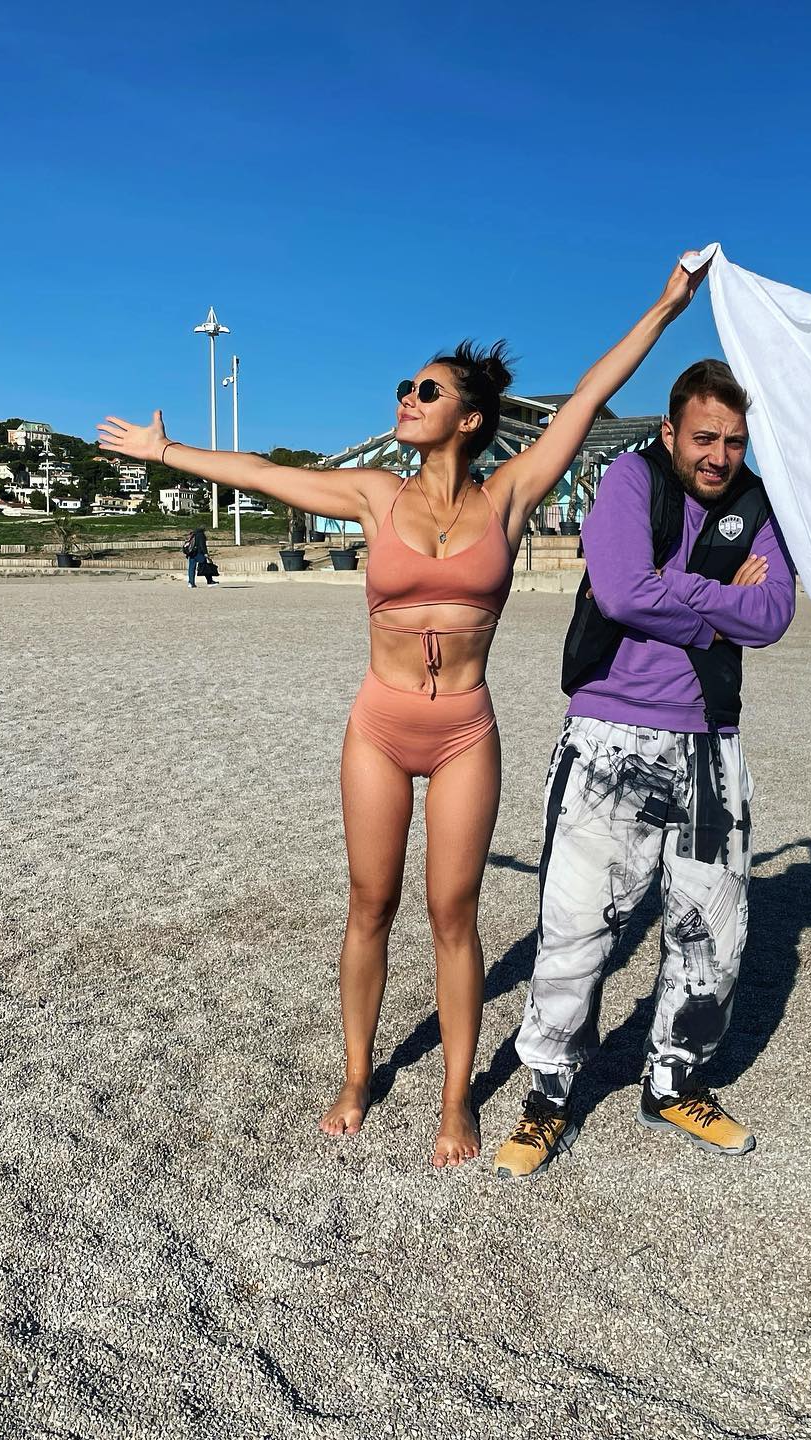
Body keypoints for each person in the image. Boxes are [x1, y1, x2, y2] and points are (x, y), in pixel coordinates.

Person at [97, 253, 710, 1167]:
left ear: (469, 417)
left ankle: (456, 1099)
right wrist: (166, 451)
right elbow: (261, 472)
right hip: (380, 726)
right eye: (403, 387)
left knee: (453, 910)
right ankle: (356, 1075)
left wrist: (665, 307)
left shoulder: (509, 495)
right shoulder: (374, 494)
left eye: (425, 390)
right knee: (370, 901)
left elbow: (588, 397)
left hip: (464, 729)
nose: (406, 398)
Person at [492, 359, 796, 1181]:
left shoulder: (755, 503)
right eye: (704, 438)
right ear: (669, 432)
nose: (719, 456)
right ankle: (549, 1095)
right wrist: (713, 604)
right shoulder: (631, 479)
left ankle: (674, 1083)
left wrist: (678, 588)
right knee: (577, 927)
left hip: (712, 741)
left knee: (713, 933)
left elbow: (773, 612)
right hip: (609, 735)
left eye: (734, 441)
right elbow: (624, 592)